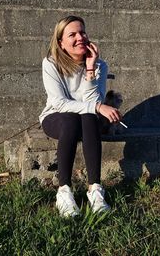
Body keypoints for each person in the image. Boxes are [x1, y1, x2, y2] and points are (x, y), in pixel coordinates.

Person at [39, 15, 122, 217]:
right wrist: (96, 107)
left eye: (82, 32)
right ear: (61, 43)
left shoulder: (100, 65)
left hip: (86, 121)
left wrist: (90, 68)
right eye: (72, 34)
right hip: (56, 118)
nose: (80, 37)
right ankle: (64, 192)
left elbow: (95, 99)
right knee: (71, 117)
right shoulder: (51, 63)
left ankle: (95, 190)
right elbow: (59, 103)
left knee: (88, 116)